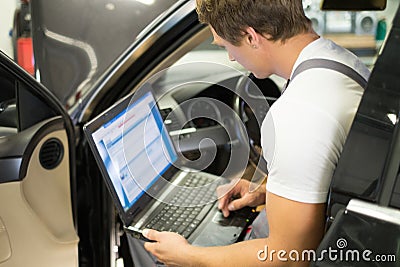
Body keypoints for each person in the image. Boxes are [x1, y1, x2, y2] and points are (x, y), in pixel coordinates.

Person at [142, 0, 370, 266]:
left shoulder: (299, 111)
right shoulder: (336, 60)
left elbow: (288, 257)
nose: (230, 57)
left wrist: (188, 257)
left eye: (225, 45)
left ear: (251, 37)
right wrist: (270, 190)